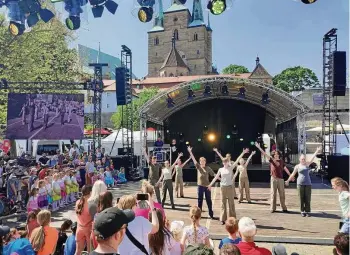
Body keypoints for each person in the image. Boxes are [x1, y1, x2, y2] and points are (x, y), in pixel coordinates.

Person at [208, 149, 249, 224]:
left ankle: (232, 218)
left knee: (231, 203)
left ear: (228, 162)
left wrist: (243, 153)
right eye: (224, 162)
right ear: (223, 163)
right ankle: (223, 219)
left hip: (229, 187)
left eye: (226, 161)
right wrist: (210, 185)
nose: (225, 163)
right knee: (223, 203)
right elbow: (216, 177)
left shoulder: (231, 168)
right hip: (223, 187)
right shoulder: (220, 169)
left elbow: (237, 160)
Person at [255, 142, 292, 213]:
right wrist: (259, 147)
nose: (276, 155)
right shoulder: (271, 160)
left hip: (281, 179)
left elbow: (285, 168)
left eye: (277, 154)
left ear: (279, 155)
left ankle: (284, 208)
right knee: (273, 194)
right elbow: (265, 154)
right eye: (275, 154)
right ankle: (272, 208)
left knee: (282, 194)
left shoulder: (281, 161)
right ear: (273, 155)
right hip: (273, 179)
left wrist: (290, 175)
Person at [285, 147, 321, 217]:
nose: (303, 160)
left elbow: (313, 158)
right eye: (302, 159)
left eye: (304, 159)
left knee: (307, 198)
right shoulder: (297, 166)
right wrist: (288, 180)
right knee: (301, 198)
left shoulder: (307, 164)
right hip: (300, 184)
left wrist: (316, 151)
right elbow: (293, 174)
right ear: (299, 160)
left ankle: (307, 211)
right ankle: (302, 211)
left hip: (308, 184)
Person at [187, 146, 215, 219]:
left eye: (203, 161)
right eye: (201, 162)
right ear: (200, 162)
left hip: (207, 186)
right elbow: (194, 160)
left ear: (205, 162)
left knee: (209, 200)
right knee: (200, 200)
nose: (202, 163)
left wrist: (221, 178)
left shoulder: (208, 168)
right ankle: (199, 214)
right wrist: (190, 152)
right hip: (200, 186)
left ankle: (211, 214)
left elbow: (214, 174)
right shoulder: (198, 167)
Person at [76, 185, 93, 255]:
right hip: (88, 229)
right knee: (90, 251)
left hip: (79, 228)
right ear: (90, 192)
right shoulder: (91, 204)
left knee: (78, 251)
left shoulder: (78, 202)